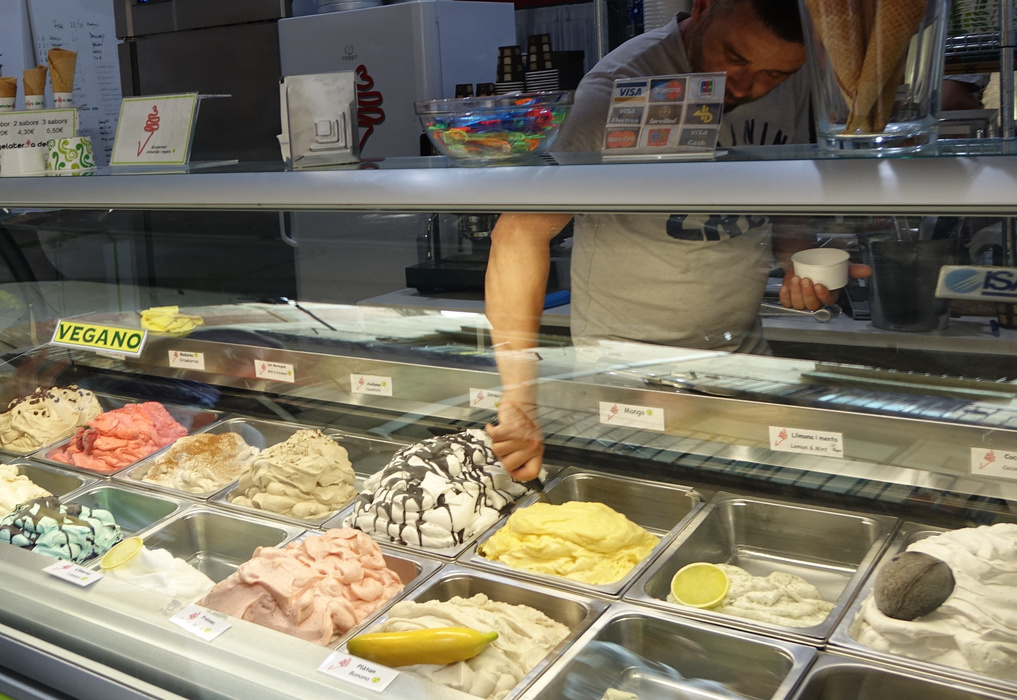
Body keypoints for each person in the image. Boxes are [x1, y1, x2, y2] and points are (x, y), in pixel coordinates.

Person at [484, 0, 869, 480]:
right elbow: (519, 232)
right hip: (631, 370)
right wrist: (519, 397)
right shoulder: (622, 86)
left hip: (742, 357)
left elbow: (781, 196)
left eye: (774, 74)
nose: (746, 86)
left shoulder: (796, 78)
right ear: (704, 6)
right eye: (735, 57)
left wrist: (799, 263)